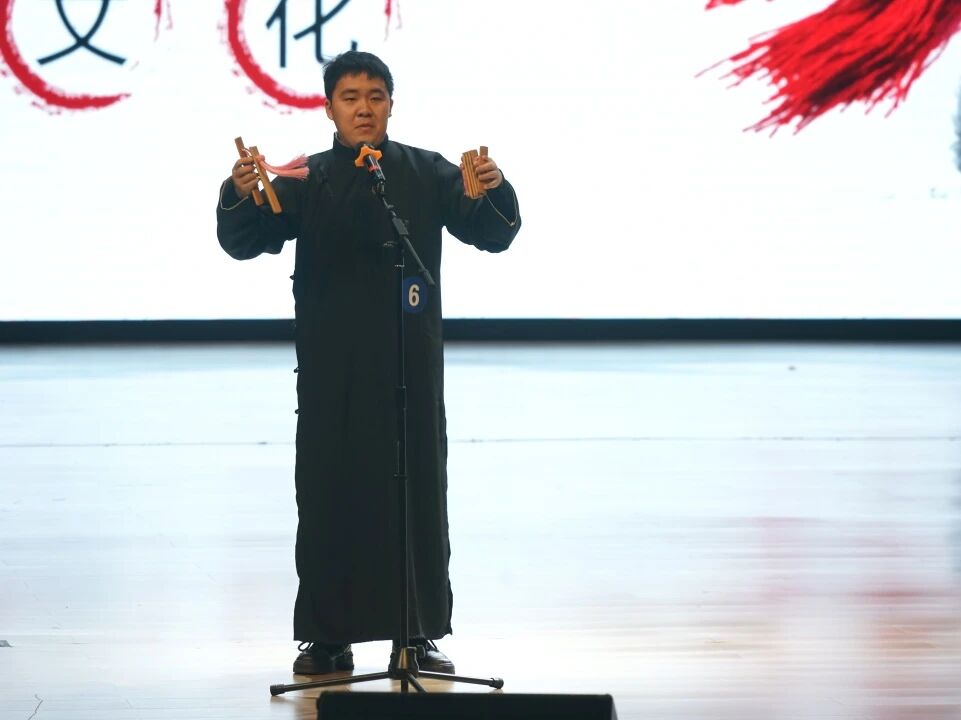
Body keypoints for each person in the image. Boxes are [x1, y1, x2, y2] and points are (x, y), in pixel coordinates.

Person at [215, 51, 521, 675]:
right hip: (334, 372)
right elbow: (245, 242)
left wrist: (494, 188)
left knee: (416, 495)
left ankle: (416, 632)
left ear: (391, 106)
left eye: (375, 97)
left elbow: (491, 233)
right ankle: (328, 639)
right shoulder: (306, 178)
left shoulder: (425, 171)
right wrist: (239, 194)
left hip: (408, 367)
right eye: (350, 97)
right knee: (329, 497)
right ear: (329, 108)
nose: (363, 108)